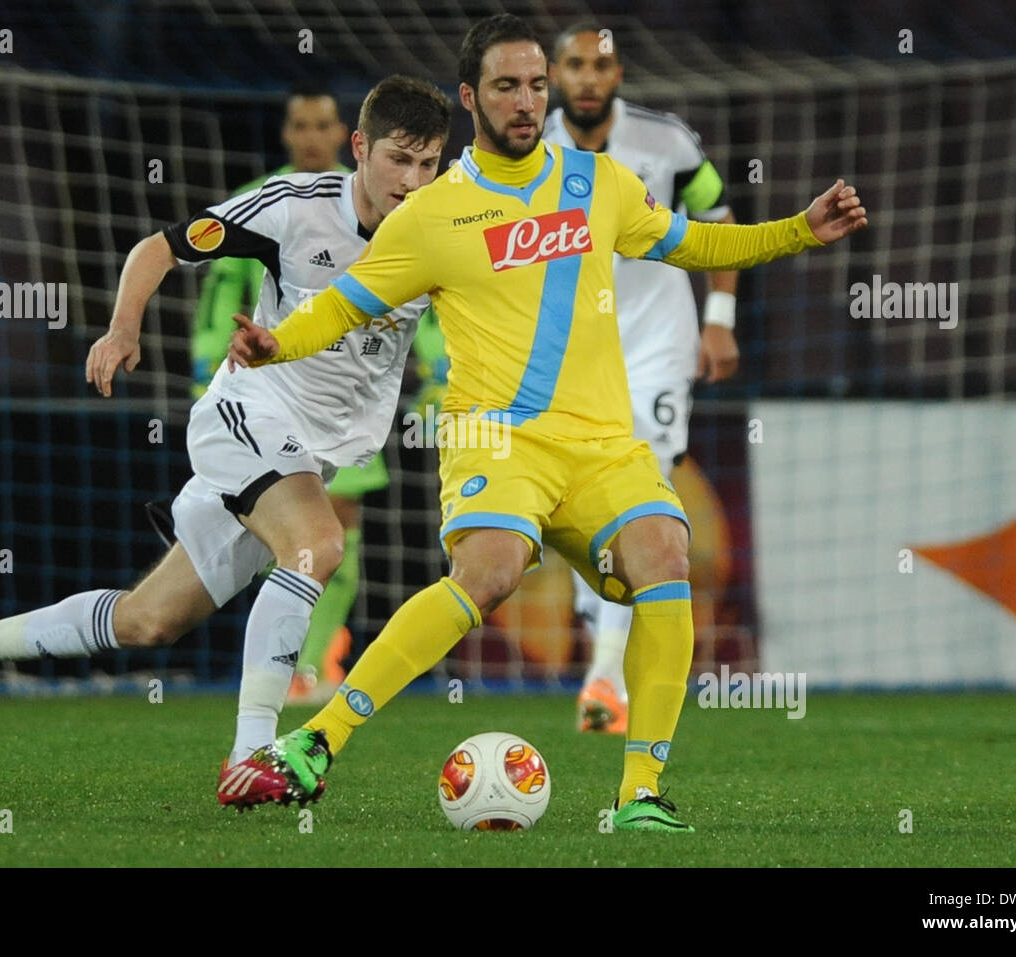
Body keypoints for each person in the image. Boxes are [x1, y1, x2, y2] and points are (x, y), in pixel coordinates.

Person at [224, 13, 867, 832]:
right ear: (469, 98)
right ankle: (316, 741)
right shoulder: (430, 213)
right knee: (488, 572)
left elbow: (694, 243)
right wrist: (275, 343)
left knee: (666, 553)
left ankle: (639, 793)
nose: (527, 100)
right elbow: (341, 307)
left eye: (536, 84)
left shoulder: (597, 183)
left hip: (603, 444)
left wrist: (799, 232)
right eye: (506, 86)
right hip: (498, 437)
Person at [0, 75, 453, 811]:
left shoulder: (440, 228)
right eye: (398, 160)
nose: (412, 181)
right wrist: (123, 329)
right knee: (317, 544)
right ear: (360, 149)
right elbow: (160, 247)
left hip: (317, 453)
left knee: (148, 619)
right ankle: (251, 756)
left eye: (427, 163)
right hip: (248, 416)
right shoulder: (292, 207)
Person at [544, 22, 741, 733]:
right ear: (556, 75)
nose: (589, 77)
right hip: (569, 354)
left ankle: (603, 679)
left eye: (600, 64)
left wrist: (719, 317)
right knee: (580, 503)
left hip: (658, 343)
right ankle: (605, 652)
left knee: (642, 488)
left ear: (618, 70)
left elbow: (719, 219)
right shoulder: (526, 152)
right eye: (575, 65)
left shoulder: (669, 143)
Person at [184, 85, 360, 704]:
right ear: (287, 135)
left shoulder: (376, 201)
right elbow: (222, 284)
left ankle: (311, 664)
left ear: (344, 135)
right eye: (300, 125)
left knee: (340, 529)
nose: (312, 136)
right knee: (290, 531)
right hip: (269, 388)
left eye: (322, 124)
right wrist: (208, 357)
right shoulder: (268, 198)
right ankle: (284, 666)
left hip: (348, 395)